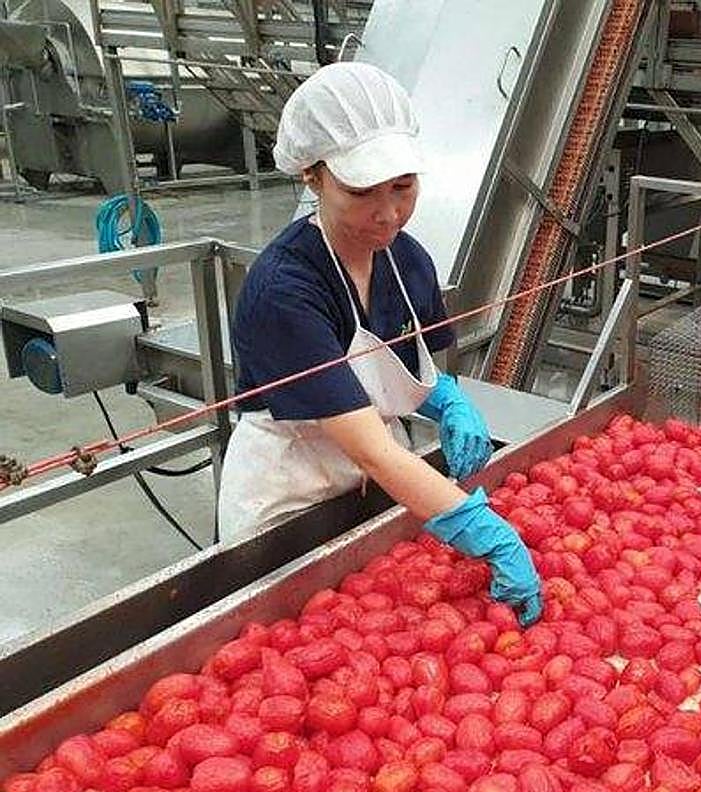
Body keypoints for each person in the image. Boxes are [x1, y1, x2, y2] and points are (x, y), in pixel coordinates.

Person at [216, 62, 542, 626]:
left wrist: (445, 400)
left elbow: (402, 366)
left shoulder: (407, 260)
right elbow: (370, 448)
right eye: (362, 191)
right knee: (289, 630)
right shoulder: (283, 291)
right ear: (312, 176)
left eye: (403, 186)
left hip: (377, 481)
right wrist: (485, 533)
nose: (388, 213)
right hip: (290, 488)